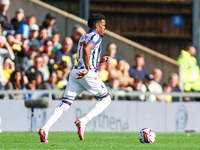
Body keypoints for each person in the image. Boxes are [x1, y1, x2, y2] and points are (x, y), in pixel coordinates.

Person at [38, 13, 111, 143]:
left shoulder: (84, 36)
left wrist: (99, 60)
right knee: (106, 99)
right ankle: (84, 121)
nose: (104, 28)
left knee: (65, 104)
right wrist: (88, 68)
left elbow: (84, 54)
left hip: (75, 72)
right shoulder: (96, 36)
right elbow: (87, 50)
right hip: (86, 73)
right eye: (103, 25)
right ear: (97, 25)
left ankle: (45, 128)